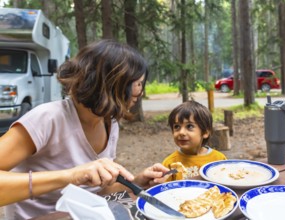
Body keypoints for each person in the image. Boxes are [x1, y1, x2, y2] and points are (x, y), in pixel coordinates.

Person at [0, 39, 170, 220]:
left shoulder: (109, 122)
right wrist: (71, 176)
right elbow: (76, 178)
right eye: (138, 84)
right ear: (113, 84)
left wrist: (135, 183)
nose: (141, 92)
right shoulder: (47, 119)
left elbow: (97, 191)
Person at [162, 100, 227, 181]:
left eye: (189, 126)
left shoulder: (218, 159)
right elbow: (164, 190)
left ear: (205, 132)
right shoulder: (170, 164)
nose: (181, 132)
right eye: (177, 127)